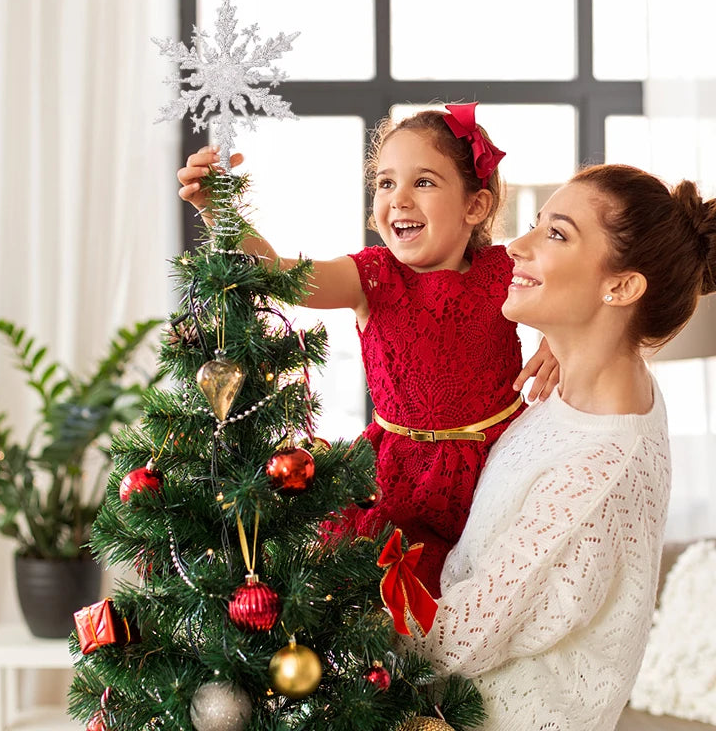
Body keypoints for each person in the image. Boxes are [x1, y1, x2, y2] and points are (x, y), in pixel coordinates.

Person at [177, 103, 558, 596]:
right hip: (394, 477)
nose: (398, 199)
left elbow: (579, 287)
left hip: (496, 469)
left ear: (475, 207)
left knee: (486, 598)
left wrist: (557, 338)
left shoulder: (501, 271)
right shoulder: (370, 276)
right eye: (385, 183)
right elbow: (277, 273)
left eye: (423, 182)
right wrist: (219, 211)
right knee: (393, 609)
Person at [398, 164, 716, 730]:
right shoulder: (598, 385)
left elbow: (455, 642)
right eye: (536, 225)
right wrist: (563, 334)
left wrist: (337, 583)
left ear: (621, 287)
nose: (515, 247)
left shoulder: (599, 471)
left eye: (556, 234)